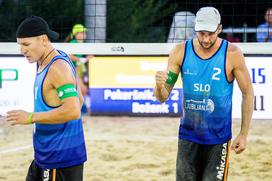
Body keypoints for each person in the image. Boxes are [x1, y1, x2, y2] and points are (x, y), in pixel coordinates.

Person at [154, 7, 254, 181]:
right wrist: (158, 86)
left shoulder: (233, 54)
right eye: (201, 33)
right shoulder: (180, 52)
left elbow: (248, 93)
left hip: (219, 139)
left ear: (220, 29)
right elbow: (162, 96)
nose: (205, 39)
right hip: (188, 136)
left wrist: (244, 134)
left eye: (210, 34)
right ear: (195, 28)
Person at [6, 16, 87, 181]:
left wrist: (30, 117)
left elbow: (73, 110)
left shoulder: (58, 67)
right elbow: (79, 100)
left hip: (59, 160)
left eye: (26, 44)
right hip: (45, 156)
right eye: (19, 45)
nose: (22, 50)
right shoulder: (45, 61)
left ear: (43, 39)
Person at [65, 24, 92, 116]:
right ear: (76, 34)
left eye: (84, 32)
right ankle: (84, 110)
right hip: (69, 70)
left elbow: (91, 54)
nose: (83, 34)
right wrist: (79, 60)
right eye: (81, 33)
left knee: (83, 90)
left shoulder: (83, 45)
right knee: (82, 90)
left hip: (78, 69)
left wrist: (85, 59)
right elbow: (68, 55)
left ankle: (83, 110)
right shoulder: (73, 43)